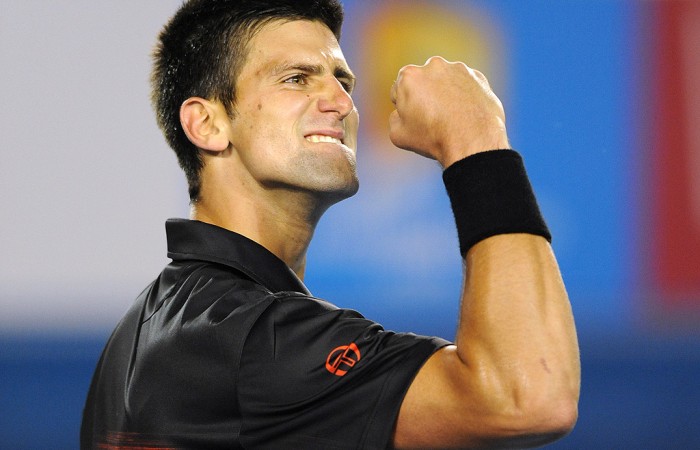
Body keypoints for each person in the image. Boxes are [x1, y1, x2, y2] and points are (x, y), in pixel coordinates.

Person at [81, 0, 580, 448]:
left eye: (343, 81)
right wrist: (475, 140)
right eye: (296, 78)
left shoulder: (146, 323)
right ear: (207, 124)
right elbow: (527, 398)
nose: (341, 103)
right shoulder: (254, 335)